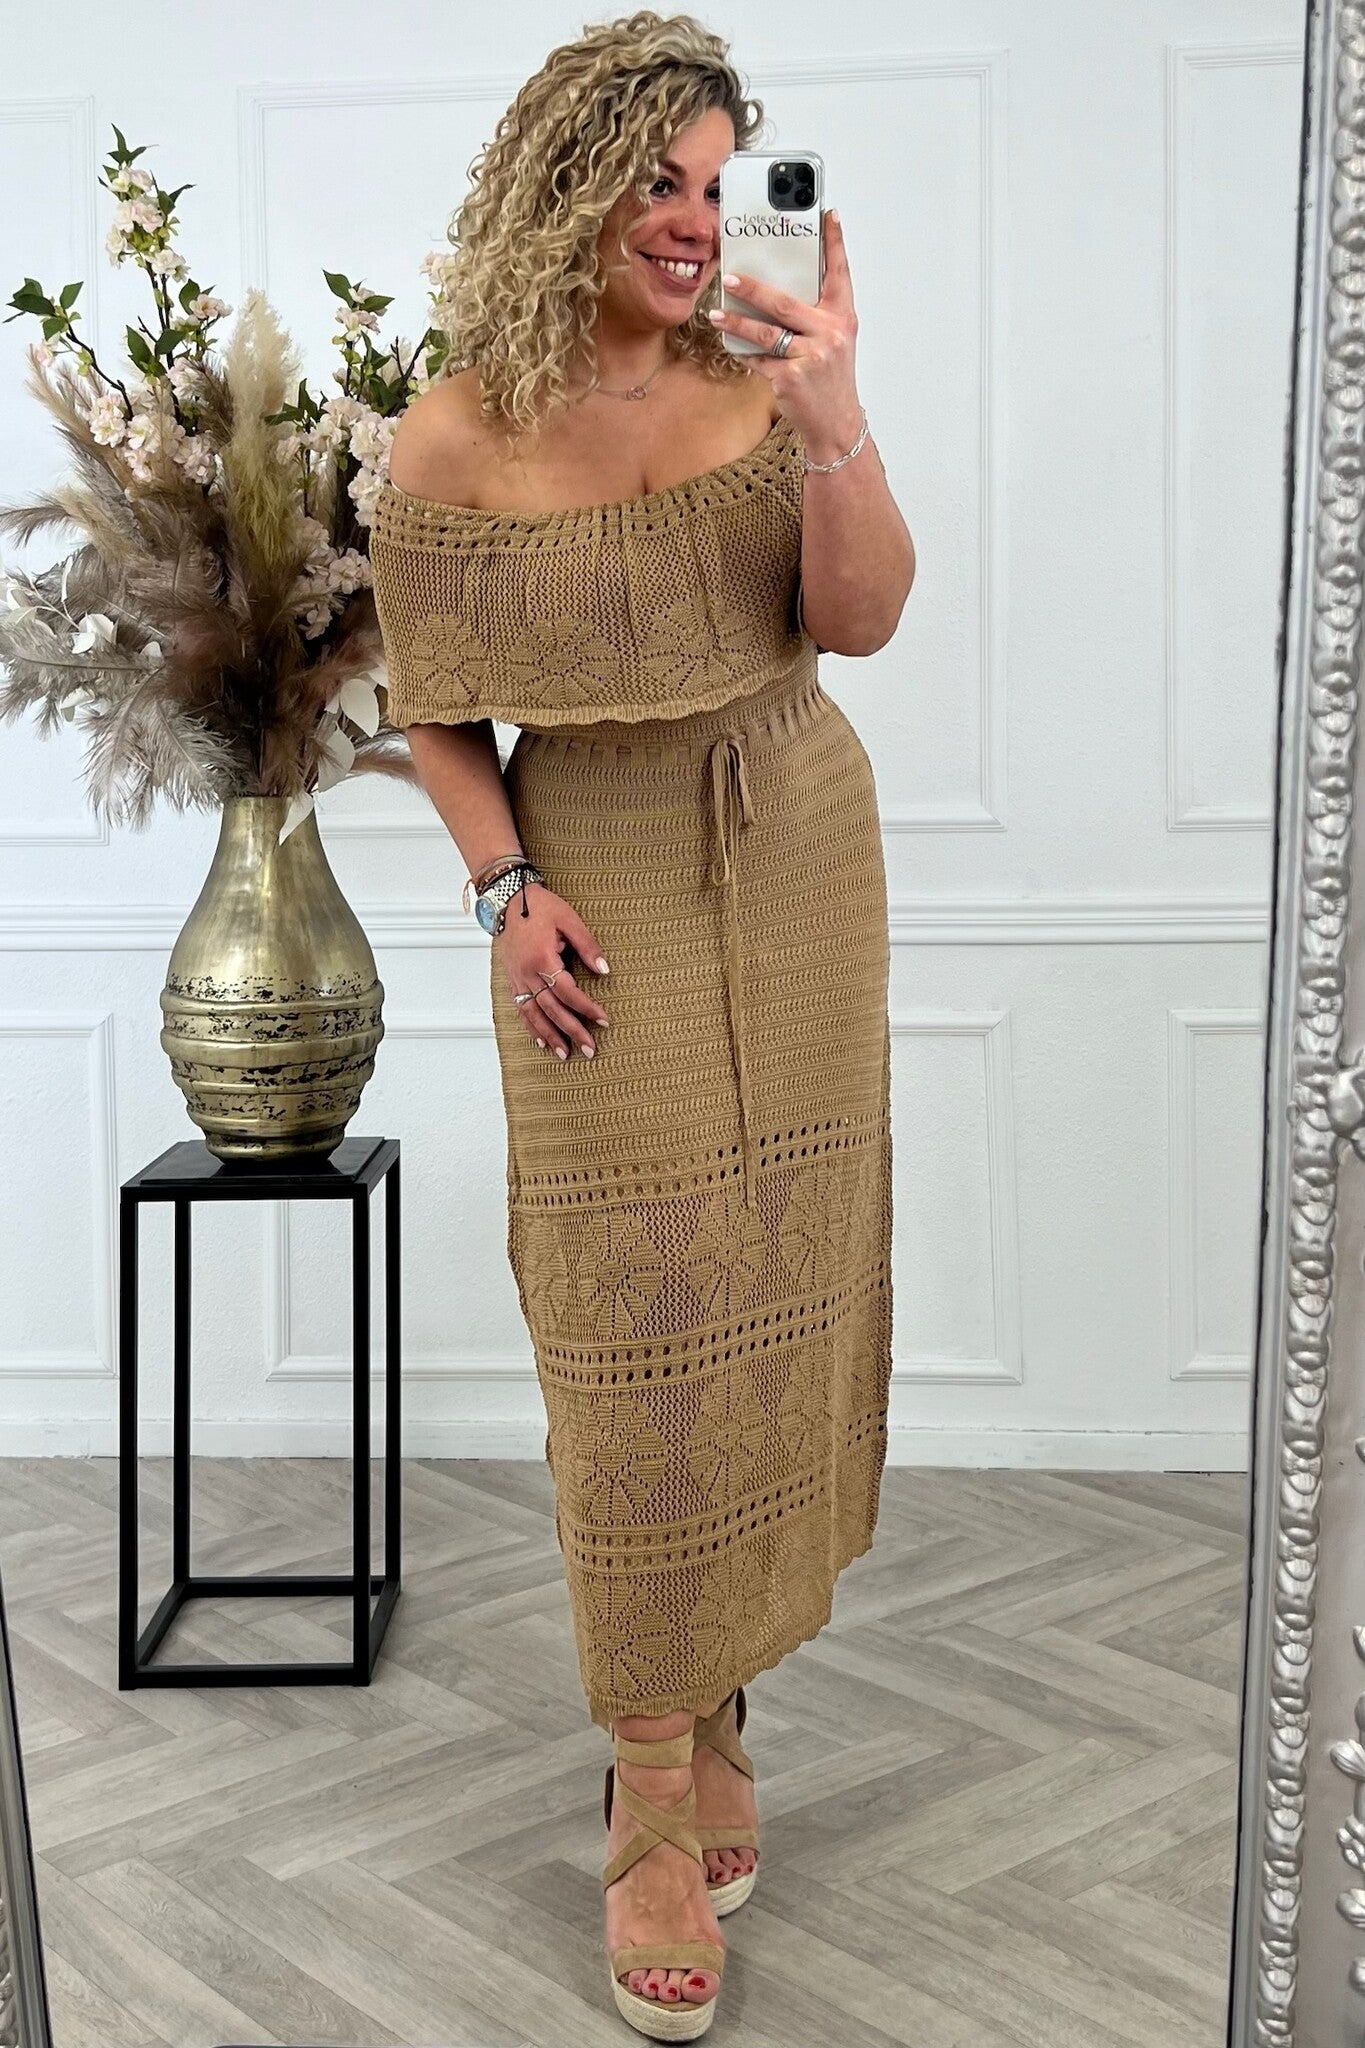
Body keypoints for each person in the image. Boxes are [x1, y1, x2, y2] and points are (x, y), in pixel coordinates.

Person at [369, 12, 915, 2038]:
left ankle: (714, 1706)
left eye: (713, 183)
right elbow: (435, 712)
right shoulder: (449, 439)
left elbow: (858, 618)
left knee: (775, 1274)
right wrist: (500, 890)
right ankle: (647, 1782)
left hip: (795, 839)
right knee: (626, 1324)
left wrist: (834, 413)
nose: (692, 222)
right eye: (653, 183)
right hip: (589, 880)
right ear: (562, 186)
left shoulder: (759, 375)